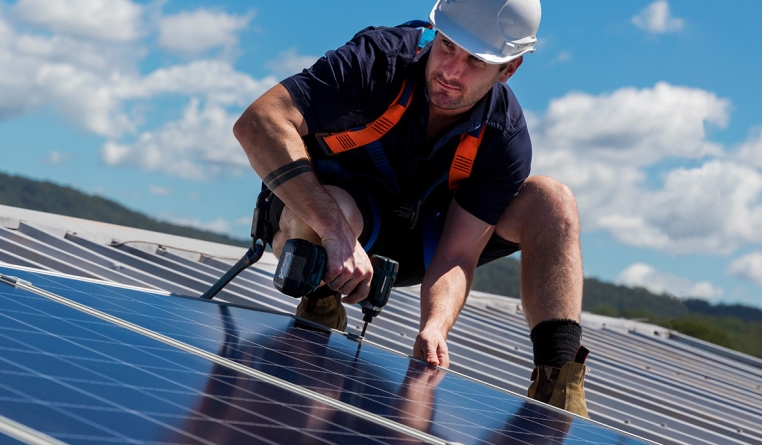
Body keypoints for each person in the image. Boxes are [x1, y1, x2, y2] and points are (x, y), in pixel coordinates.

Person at [232, 0, 589, 416]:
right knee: (342, 209)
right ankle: (321, 300)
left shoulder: (503, 137)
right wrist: (336, 232)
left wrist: (435, 324)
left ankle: (558, 387)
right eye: (447, 47)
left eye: (474, 61)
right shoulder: (377, 61)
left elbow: (457, 254)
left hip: (416, 242)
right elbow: (259, 121)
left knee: (553, 201)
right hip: (325, 221)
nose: (451, 71)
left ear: (508, 70)